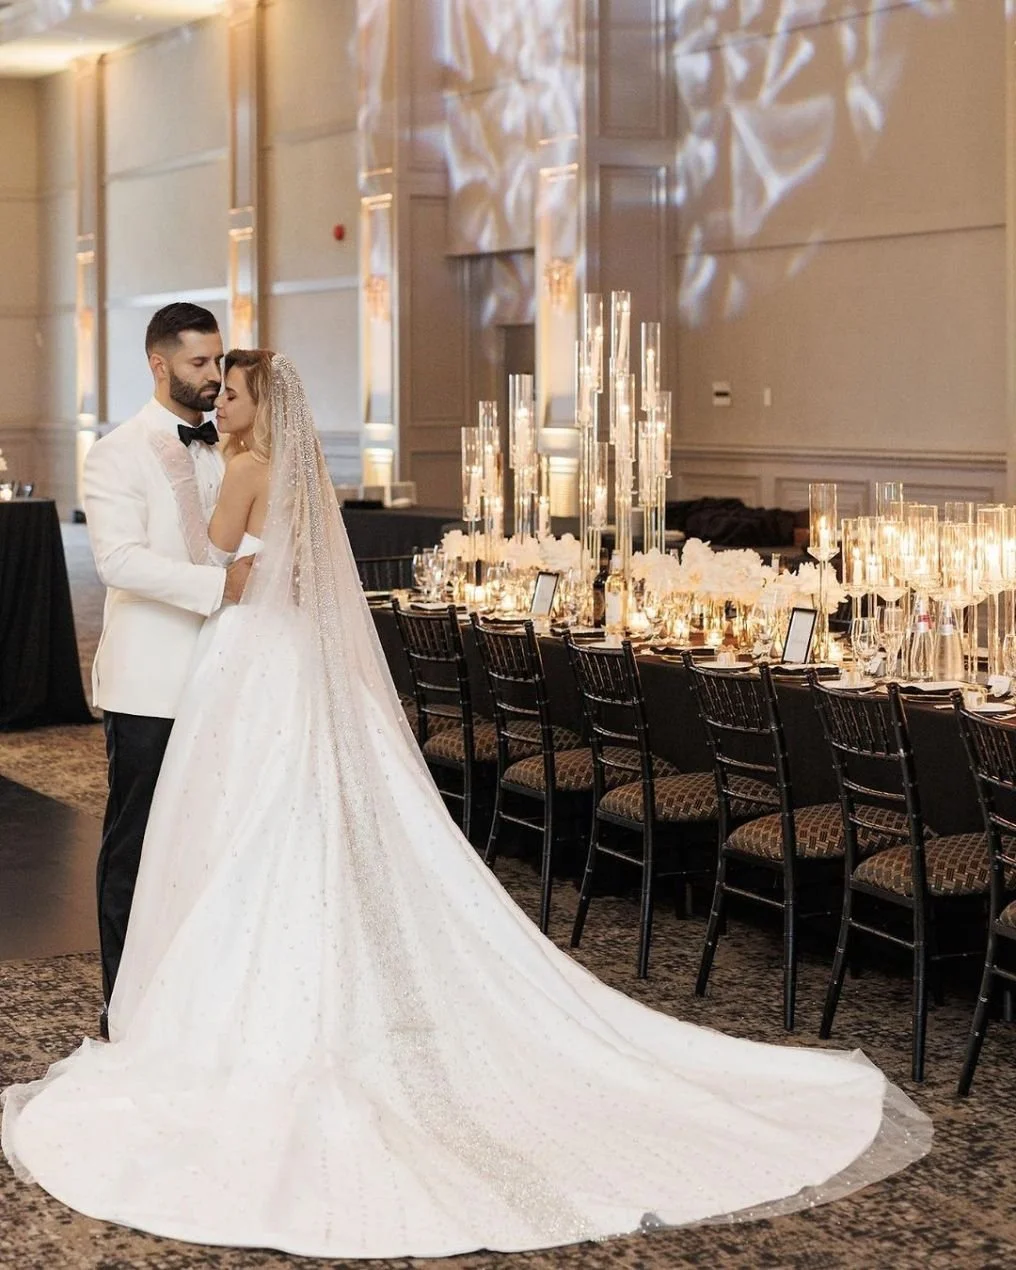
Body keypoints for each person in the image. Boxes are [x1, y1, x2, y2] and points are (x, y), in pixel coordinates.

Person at [1, 352, 932, 1260]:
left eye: (233, 388)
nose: (223, 398)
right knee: (298, 810)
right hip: (293, 662)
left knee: (237, 819)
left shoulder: (245, 469)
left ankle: (229, 999)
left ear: (254, 406)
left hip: (247, 657)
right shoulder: (299, 473)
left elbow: (215, 559)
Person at [81, 303, 253, 1035]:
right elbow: (117, 559)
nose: (215, 376)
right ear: (159, 365)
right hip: (150, 683)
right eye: (199, 364)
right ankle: (124, 1007)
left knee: (210, 843)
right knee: (136, 843)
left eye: (218, 362)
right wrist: (220, 588)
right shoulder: (116, 453)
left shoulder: (230, 447)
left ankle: (193, 1000)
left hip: (229, 677)